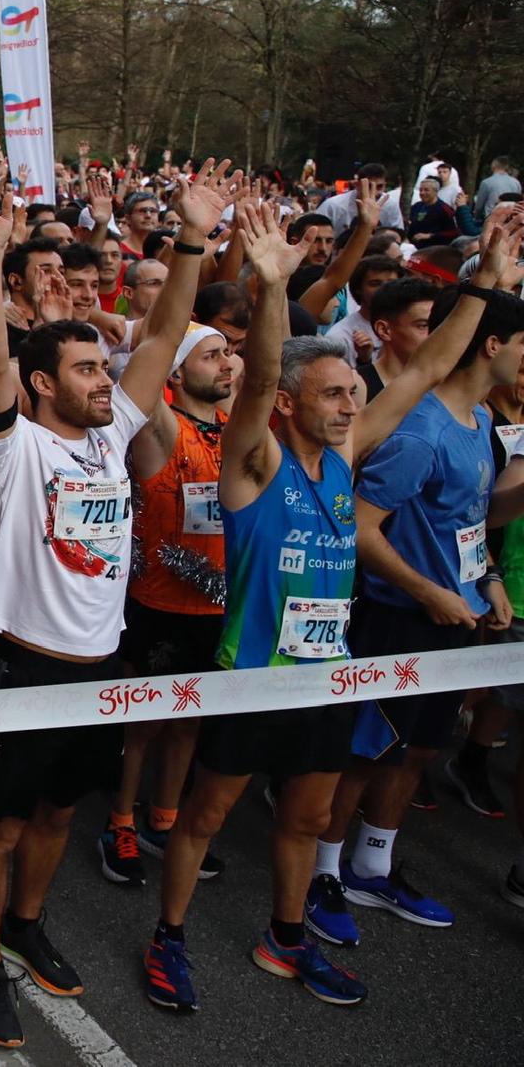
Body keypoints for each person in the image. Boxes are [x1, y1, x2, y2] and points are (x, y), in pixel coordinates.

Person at [141, 202, 524, 1011]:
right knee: (206, 815)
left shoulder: (345, 460)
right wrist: (274, 286)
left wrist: (485, 281)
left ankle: (286, 936)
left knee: (309, 817)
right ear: (287, 403)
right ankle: (169, 936)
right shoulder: (254, 462)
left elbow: (424, 370)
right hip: (251, 677)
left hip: (325, 680)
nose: (352, 406)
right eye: (334, 394)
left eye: (355, 392)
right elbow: (267, 376)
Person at [0, 163, 229, 1050]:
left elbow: (160, 339)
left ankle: (29, 923)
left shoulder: (114, 430)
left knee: (62, 816)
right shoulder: (15, 448)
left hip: (99, 672)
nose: (103, 378)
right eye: (81, 369)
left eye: (99, 364)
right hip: (20, 668)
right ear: (41, 386)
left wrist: (190, 238)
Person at [308, 235, 524, 938]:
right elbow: (363, 531)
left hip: (452, 623)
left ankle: (374, 865)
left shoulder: (483, 420)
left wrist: (485, 576)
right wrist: (428, 591)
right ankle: (323, 874)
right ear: (492, 346)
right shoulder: (420, 432)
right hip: (398, 620)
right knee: (368, 753)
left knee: (418, 750)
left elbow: (468, 521)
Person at [97, 325, 235, 887]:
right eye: (211, 355)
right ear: (176, 373)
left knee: (189, 724)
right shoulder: (161, 426)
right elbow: (140, 379)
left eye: (229, 353)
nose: (227, 364)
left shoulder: (236, 428)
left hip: (219, 604)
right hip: (158, 602)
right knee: (145, 723)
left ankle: (165, 816)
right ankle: (120, 821)